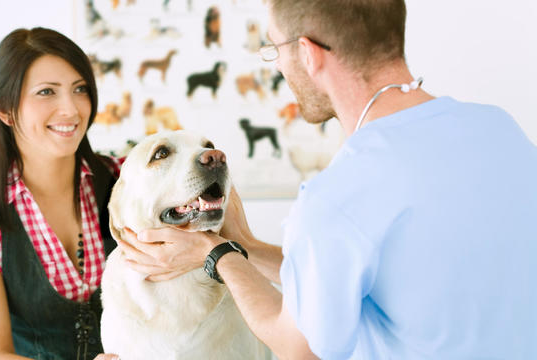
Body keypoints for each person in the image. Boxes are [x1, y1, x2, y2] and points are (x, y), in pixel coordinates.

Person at [116, 1, 537, 359]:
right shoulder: (499, 129)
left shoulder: (338, 194)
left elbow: (300, 346)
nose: (278, 63)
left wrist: (215, 251)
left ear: (308, 53)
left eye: (274, 49)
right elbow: (356, 276)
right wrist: (247, 246)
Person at [0, 27, 120, 360]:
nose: (71, 109)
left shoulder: (125, 180)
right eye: (46, 92)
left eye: (79, 89)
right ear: (5, 110)